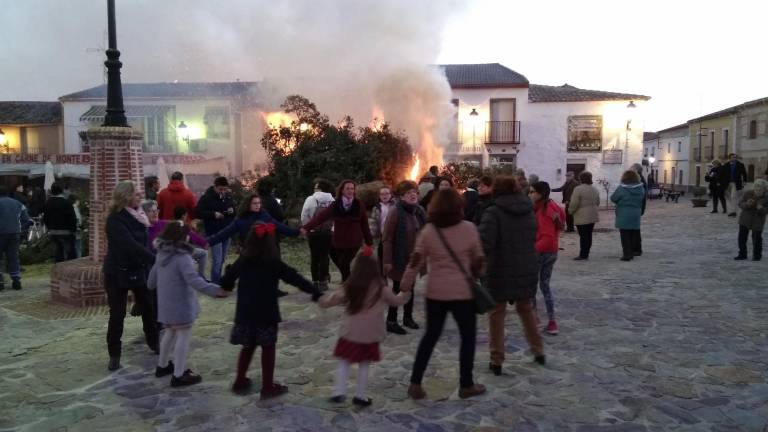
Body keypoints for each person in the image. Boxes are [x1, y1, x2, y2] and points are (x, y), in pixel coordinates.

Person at [401, 188, 486, 400]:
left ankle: (415, 383)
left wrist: (405, 284)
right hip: (462, 293)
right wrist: (479, 274)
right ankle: (466, 384)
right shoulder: (469, 229)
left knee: (430, 337)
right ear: (459, 206)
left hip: (436, 292)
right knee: (467, 338)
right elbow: (478, 260)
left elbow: (415, 260)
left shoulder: (429, 231)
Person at [220, 222, 321, 398]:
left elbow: (227, 280)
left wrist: (227, 284)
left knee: (248, 346)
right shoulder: (273, 262)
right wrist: (315, 292)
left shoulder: (243, 259)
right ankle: (268, 387)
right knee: (268, 347)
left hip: (246, 311)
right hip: (266, 311)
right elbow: (294, 278)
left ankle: (240, 380)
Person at [320, 249, 412, 407]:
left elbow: (335, 298)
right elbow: (396, 301)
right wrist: (406, 292)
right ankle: (360, 396)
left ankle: (339, 392)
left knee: (344, 362)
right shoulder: (382, 288)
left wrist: (324, 302)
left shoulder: (351, 285)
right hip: (370, 335)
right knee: (364, 364)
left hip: (350, 333)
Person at [148, 222, 228, 387]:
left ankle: (162, 366)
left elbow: (151, 282)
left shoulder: (161, 254)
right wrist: (215, 290)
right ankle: (178, 375)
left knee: (169, 332)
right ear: (180, 237)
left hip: (165, 305)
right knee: (183, 336)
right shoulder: (183, 257)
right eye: (186, 233)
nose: (189, 236)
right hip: (181, 305)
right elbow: (194, 280)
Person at [478, 176, 544, 376]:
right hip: (525, 267)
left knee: (497, 314)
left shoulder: (493, 212)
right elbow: (533, 235)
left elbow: (484, 243)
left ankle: (496, 360)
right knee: (526, 309)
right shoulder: (528, 210)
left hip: (500, 269)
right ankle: (538, 351)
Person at [103, 180, 158, 371]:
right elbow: (129, 244)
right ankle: (114, 354)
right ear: (126, 197)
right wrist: (154, 258)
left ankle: (154, 342)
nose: (140, 197)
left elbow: (144, 242)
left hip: (138, 268)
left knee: (148, 307)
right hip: (116, 272)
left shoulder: (139, 216)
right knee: (118, 313)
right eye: (137, 194)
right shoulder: (115, 220)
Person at [302, 180, 374, 282]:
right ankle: (350, 282)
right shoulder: (336, 205)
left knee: (344, 264)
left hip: (354, 241)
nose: (350, 191)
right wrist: (306, 227)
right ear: (342, 190)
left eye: (352, 188)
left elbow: (364, 225)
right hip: (338, 240)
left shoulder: (359, 205)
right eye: (347, 188)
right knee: (341, 263)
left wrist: (369, 242)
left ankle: (347, 286)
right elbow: (320, 218)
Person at [382, 180, 427, 335]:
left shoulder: (419, 211)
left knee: (411, 288)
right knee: (397, 289)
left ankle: (408, 318)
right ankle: (391, 320)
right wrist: (387, 261)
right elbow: (387, 238)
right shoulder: (395, 211)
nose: (413, 194)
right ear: (401, 196)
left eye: (414, 192)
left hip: (414, 258)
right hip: (398, 257)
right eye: (408, 193)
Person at [529, 182, 565, 335]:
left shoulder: (545, 211)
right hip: (552, 252)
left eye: (532, 192)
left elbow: (547, 236)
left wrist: (532, 250)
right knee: (545, 286)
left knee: (531, 286)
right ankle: (551, 321)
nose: (529, 194)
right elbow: (562, 222)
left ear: (540, 194)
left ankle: (535, 319)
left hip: (541, 252)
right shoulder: (553, 206)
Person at [207, 194, 299, 247]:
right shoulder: (240, 220)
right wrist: (207, 242)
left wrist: (297, 232)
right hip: (248, 252)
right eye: (254, 203)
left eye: (259, 203)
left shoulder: (264, 216)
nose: (257, 205)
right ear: (248, 204)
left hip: (264, 253)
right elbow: (224, 234)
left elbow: (280, 227)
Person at [195, 176, 236, 283]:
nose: (222, 192)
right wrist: (213, 214)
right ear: (215, 187)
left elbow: (234, 210)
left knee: (222, 259)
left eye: (224, 189)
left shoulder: (228, 196)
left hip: (227, 231)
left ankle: (217, 280)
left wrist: (232, 210)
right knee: (217, 260)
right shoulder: (206, 198)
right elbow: (198, 212)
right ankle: (215, 283)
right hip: (214, 233)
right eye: (220, 189)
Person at [301, 179, 336, 292]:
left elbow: (304, 216)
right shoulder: (333, 200)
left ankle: (315, 282)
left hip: (313, 233)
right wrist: (332, 230)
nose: (314, 189)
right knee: (324, 256)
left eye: (316, 187)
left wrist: (307, 228)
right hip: (327, 233)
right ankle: (323, 283)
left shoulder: (311, 199)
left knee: (314, 257)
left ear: (320, 188)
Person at [611, 170, 646, 261]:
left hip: (624, 213)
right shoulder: (641, 188)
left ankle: (627, 254)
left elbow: (613, 198)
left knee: (624, 234)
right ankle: (634, 251)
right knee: (633, 233)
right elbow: (642, 198)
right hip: (635, 213)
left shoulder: (621, 188)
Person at [0, 185, 30, 291]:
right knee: (13, 257)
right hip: (15, 233)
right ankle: (16, 281)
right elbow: (26, 219)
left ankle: (1, 282)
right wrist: (20, 230)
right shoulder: (18, 203)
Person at [568, 171, 601, 260]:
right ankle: (586, 253)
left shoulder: (578, 189)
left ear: (580, 179)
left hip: (582, 216)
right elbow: (598, 202)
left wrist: (570, 211)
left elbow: (574, 203)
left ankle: (583, 255)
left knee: (583, 236)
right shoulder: (595, 189)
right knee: (588, 235)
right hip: (592, 215)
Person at [43, 183, 78, 262]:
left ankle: (58, 268)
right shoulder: (66, 203)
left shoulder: (48, 203)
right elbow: (72, 218)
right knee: (70, 254)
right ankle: (69, 270)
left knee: (58, 252)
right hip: (66, 232)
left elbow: (45, 218)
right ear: (62, 191)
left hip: (53, 232)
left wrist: (49, 228)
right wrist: (74, 230)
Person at [734, 179, 768, 261]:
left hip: (758, 221)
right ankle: (742, 254)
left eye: (760, 190)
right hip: (745, 219)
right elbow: (740, 204)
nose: (758, 191)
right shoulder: (748, 193)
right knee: (742, 238)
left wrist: (761, 209)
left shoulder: (767, 197)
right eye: (756, 189)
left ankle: (757, 256)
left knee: (757, 239)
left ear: (765, 189)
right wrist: (747, 204)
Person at [368, 185, 397, 269]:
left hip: (395, 236)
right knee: (381, 256)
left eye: (387, 194)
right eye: (382, 194)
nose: (384, 196)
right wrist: (371, 237)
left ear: (391, 195)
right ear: (379, 196)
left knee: (394, 256)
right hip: (383, 236)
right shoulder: (376, 208)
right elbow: (373, 223)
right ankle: (382, 274)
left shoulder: (396, 206)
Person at [69, 194, 83, 258]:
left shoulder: (73, 208)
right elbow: (77, 219)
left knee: (76, 246)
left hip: (74, 230)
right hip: (77, 230)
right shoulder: (75, 208)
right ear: (76, 201)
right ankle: (78, 258)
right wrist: (78, 227)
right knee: (78, 246)